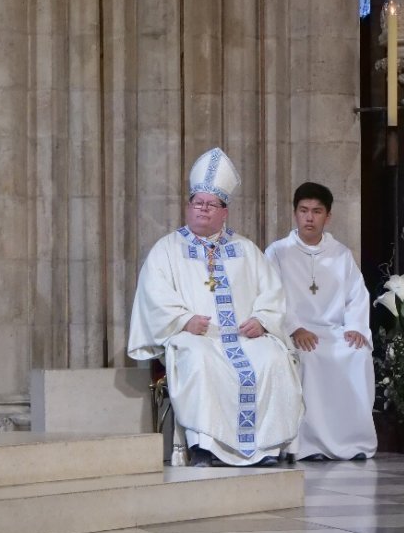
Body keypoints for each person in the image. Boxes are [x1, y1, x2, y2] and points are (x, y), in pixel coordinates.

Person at [127, 148, 302, 467]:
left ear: (225, 212)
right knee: (200, 360)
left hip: (243, 337)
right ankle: (205, 446)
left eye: (211, 205)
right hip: (197, 336)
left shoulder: (246, 250)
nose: (203, 210)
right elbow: (154, 296)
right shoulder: (167, 249)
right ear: (187, 207)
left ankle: (266, 447)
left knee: (274, 358)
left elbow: (272, 293)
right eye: (198, 203)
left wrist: (262, 321)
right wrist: (182, 320)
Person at [266, 183, 377, 462]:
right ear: (294, 214)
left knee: (358, 354)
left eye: (316, 211)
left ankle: (354, 442)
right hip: (295, 333)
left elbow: (357, 296)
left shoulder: (340, 254)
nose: (309, 218)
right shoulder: (277, 252)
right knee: (309, 356)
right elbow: (271, 296)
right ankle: (308, 444)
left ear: (328, 217)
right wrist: (294, 328)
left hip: (334, 331)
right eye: (303, 211)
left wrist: (355, 328)